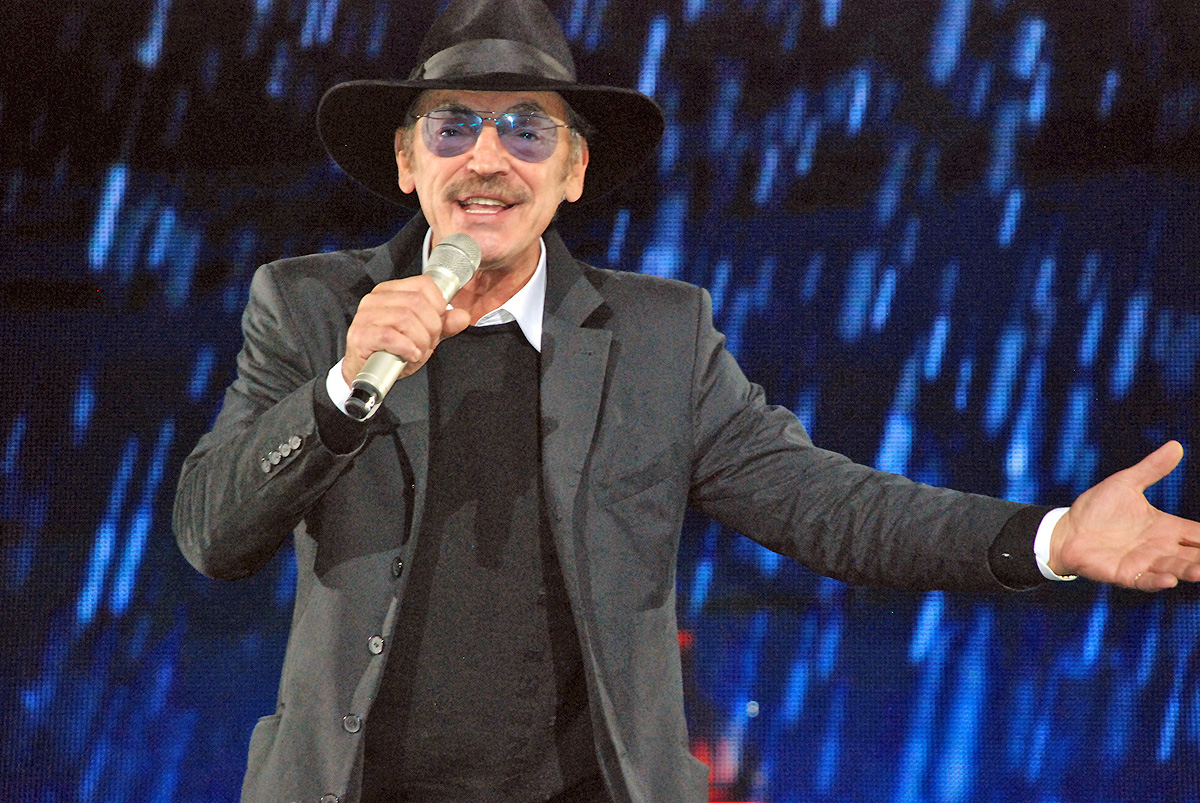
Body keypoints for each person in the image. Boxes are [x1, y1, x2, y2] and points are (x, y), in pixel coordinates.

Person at [172, 0, 1200, 801]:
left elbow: (827, 504)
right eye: (453, 126)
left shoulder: (659, 336)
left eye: (527, 130)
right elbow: (212, 531)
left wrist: (1052, 537)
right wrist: (340, 392)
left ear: (574, 170)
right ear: (406, 160)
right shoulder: (310, 307)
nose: (487, 157)